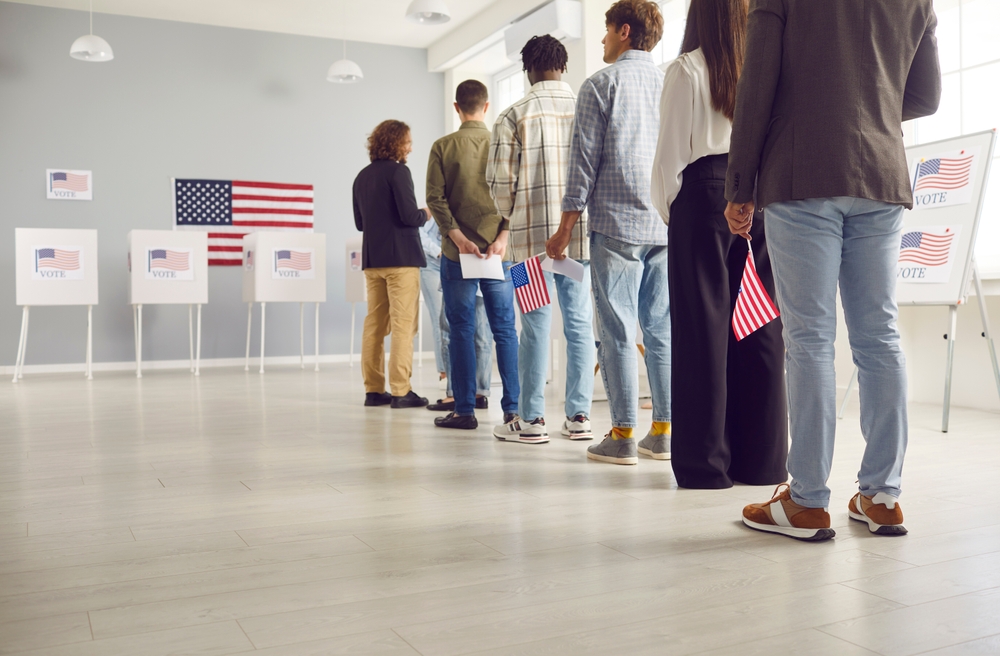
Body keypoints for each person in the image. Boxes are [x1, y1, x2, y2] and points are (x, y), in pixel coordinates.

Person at [727, 0, 940, 540]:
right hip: (882, 173)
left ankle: (807, 501)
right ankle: (883, 497)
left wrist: (739, 187)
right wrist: (868, 108)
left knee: (812, 340)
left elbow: (756, 89)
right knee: (879, 336)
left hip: (802, 172)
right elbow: (925, 96)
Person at [651, 0, 787, 489]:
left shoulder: (687, 70)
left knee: (701, 331)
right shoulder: (768, 64)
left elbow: (669, 161)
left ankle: (705, 466)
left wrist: (676, 214)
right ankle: (763, 462)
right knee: (759, 325)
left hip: (703, 193)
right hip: (760, 197)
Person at [547, 0, 668, 464]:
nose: (600, 41)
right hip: (664, 222)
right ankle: (663, 431)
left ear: (623, 31)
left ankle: (621, 434)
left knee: (616, 329)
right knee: (661, 329)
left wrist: (563, 231)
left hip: (616, 223)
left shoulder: (601, 84)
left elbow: (583, 166)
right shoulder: (669, 83)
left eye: (604, 32)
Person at [487, 35, 595, 443]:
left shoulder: (513, 114)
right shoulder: (586, 108)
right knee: (581, 324)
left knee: (531, 325)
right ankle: (580, 416)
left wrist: (514, 211)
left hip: (525, 248)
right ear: (563, 66)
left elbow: (499, 188)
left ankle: (531, 420)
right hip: (581, 241)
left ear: (527, 69)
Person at [427, 80, 522, 436]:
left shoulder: (442, 146)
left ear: (457, 107)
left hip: (456, 254)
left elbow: (435, 199)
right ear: (486, 106)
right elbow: (518, 194)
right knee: (507, 329)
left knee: (461, 331)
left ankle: (464, 410)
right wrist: (502, 236)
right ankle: (513, 409)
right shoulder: (504, 142)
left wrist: (458, 238)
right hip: (505, 256)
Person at [352, 120, 431, 409]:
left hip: (373, 261)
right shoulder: (400, 171)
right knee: (403, 325)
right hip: (402, 261)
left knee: (374, 324)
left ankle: (374, 390)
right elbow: (410, 216)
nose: (410, 147)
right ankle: (401, 390)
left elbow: (360, 223)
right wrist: (427, 212)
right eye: (407, 142)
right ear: (395, 142)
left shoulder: (361, 177)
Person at [418, 217, 495, 412]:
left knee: (451, 331)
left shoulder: (456, 202)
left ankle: (456, 394)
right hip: (491, 261)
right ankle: (480, 394)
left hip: (463, 261)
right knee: (487, 334)